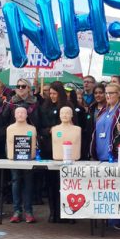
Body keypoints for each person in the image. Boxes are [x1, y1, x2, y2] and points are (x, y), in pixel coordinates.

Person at [90, 83, 120, 230]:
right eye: (107, 93)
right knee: (108, 190)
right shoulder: (103, 110)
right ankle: (110, 217)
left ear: (119, 94)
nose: (108, 95)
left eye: (112, 93)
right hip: (103, 156)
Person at [39, 81, 70, 223]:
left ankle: (66, 213)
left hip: (65, 150)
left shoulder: (68, 107)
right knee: (51, 183)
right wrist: (48, 131)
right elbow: (40, 127)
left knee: (64, 183)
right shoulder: (44, 107)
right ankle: (53, 212)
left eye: (54, 93)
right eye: (50, 93)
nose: (51, 96)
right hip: (48, 148)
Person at [7, 107, 37, 223]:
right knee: (15, 183)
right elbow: (9, 146)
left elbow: (33, 146)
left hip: (28, 160)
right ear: (14, 115)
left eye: (23, 113)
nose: (20, 115)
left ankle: (28, 211)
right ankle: (17, 211)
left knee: (28, 184)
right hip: (14, 160)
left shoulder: (32, 129)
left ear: (27, 115)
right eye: (18, 113)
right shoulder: (10, 129)